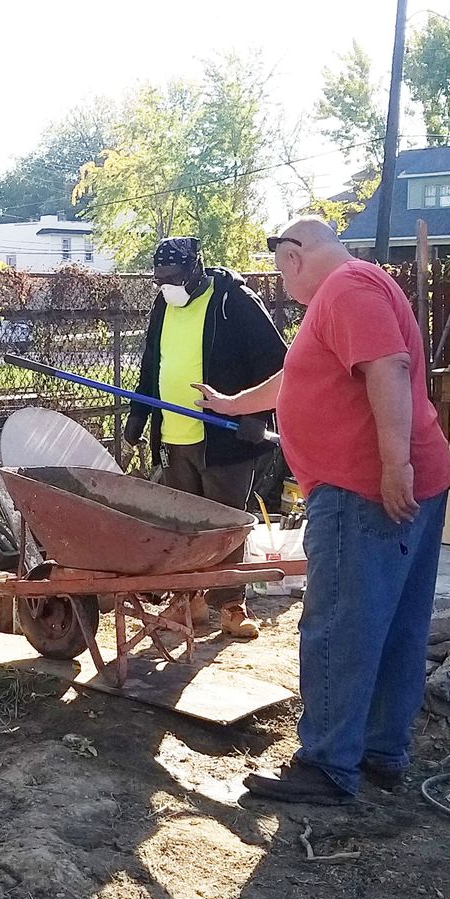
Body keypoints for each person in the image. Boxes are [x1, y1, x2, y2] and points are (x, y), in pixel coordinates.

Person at [195, 217, 450, 804]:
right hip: (394, 480)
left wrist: (393, 466)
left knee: (341, 624)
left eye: (281, 269)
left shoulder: (346, 290)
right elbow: (300, 375)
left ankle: (330, 764)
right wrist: (237, 402)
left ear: (294, 256)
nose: (282, 283)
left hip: (363, 488)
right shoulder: (356, 288)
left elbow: (388, 368)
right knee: (392, 622)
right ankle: (379, 752)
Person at [124, 236, 287, 639]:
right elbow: (152, 362)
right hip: (175, 436)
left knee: (226, 523)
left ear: (196, 269)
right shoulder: (164, 303)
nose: (167, 285)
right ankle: (189, 599)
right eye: (160, 279)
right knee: (186, 525)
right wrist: (140, 413)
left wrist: (255, 413)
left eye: (174, 277)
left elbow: (278, 363)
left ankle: (231, 604)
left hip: (225, 438)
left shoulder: (234, 302)